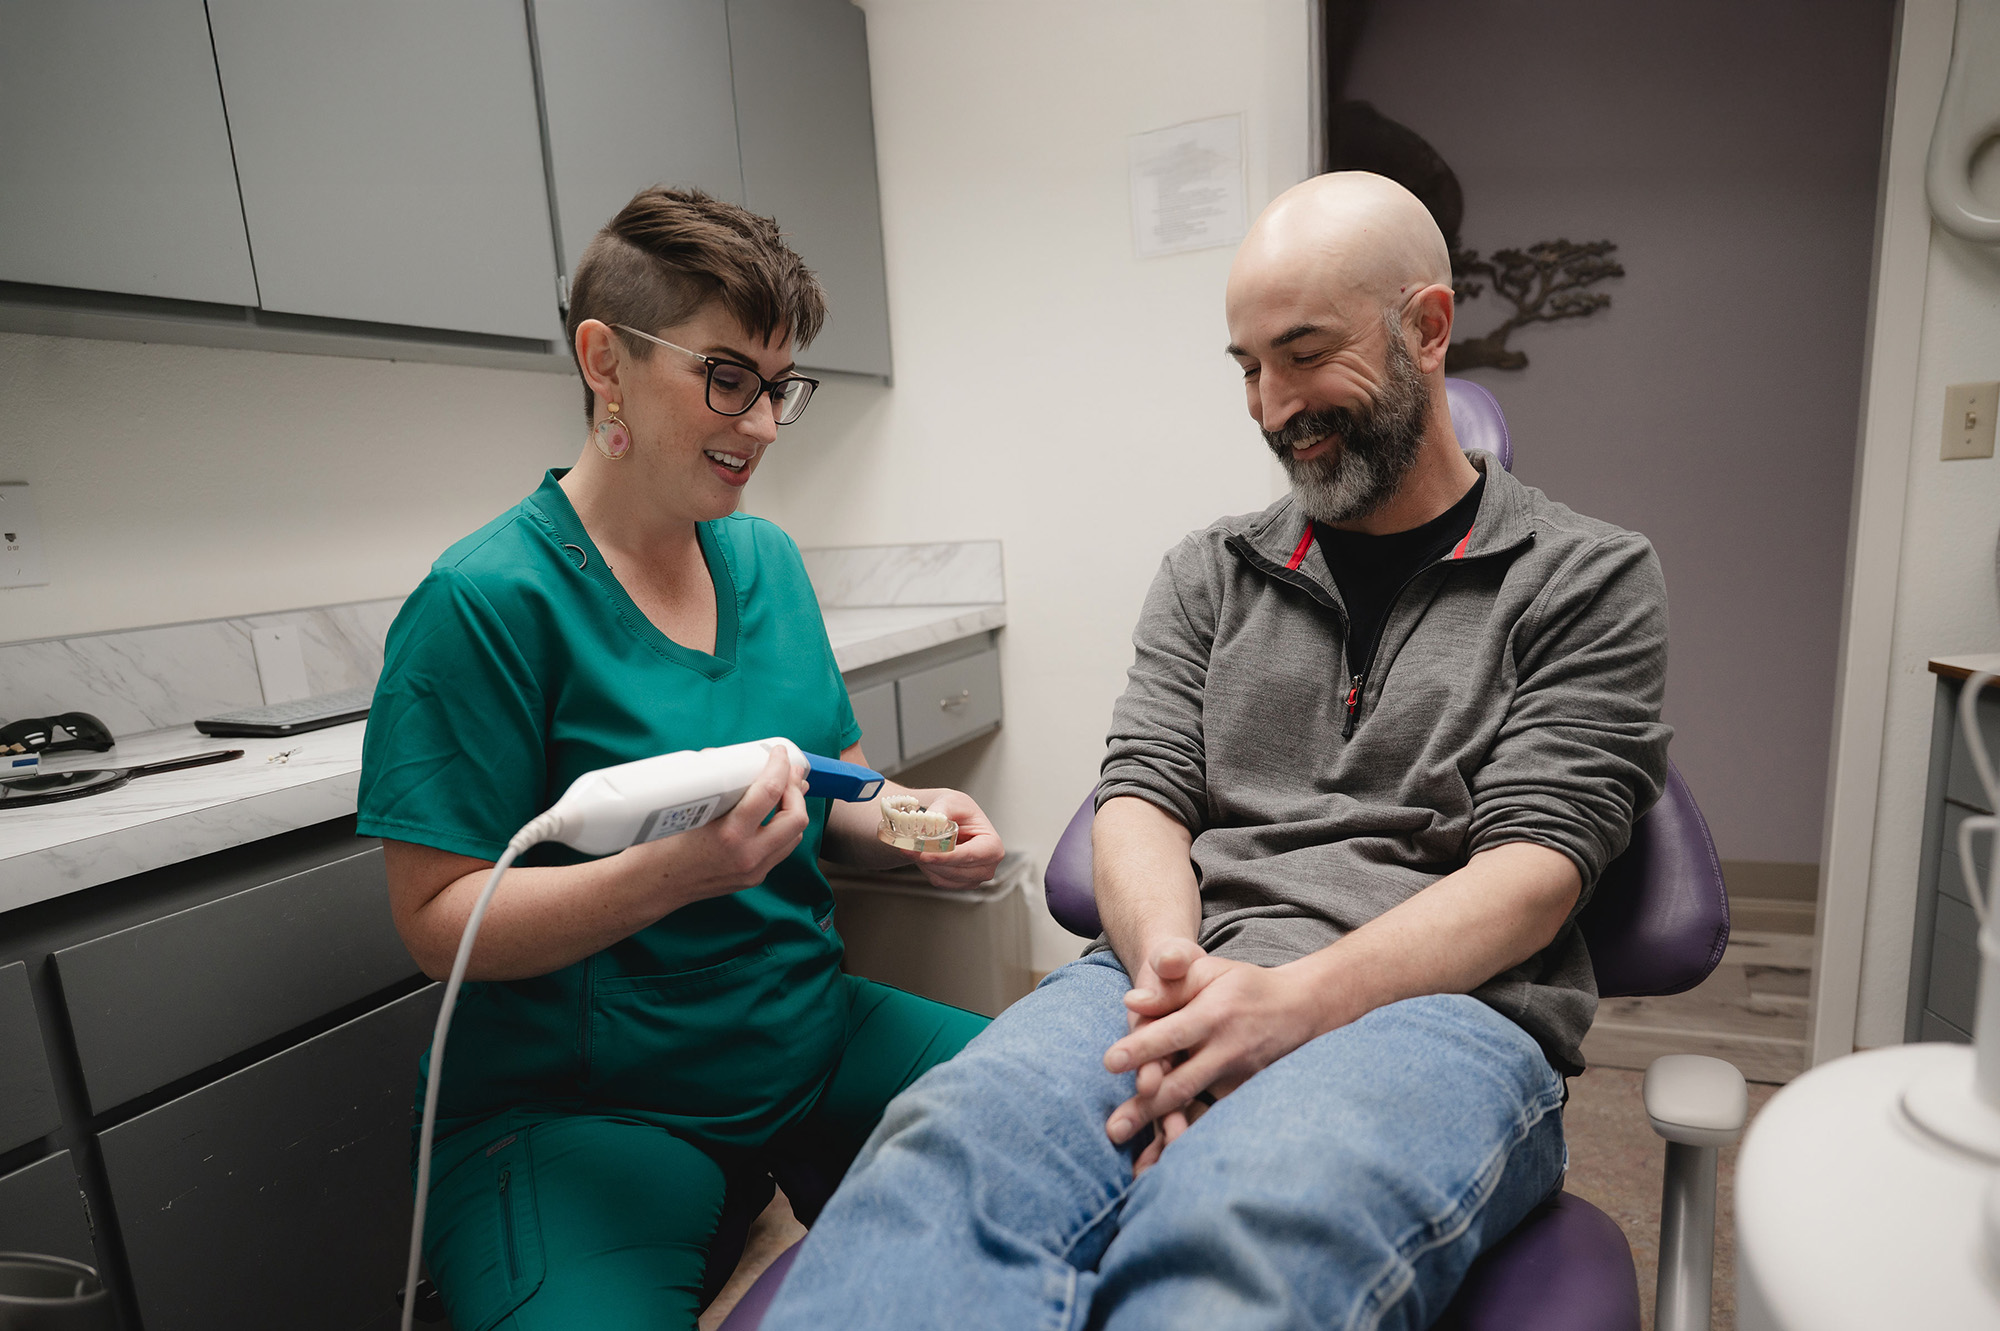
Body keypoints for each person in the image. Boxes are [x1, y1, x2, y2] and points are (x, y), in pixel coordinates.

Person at [759, 171, 1671, 1328]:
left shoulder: (1586, 576)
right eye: (1245, 365)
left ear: (1426, 328)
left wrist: (1286, 1006)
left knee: (1238, 1225)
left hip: (1443, 1011)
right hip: (1172, 974)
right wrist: (1175, 991)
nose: (1267, 402)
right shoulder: (1209, 570)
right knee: (934, 1160)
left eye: (1301, 353)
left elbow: (1535, 873)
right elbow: (1137, 796)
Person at [356, 186, 1003, 1331]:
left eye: (777, 386)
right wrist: (677, 872)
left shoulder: (764, 560)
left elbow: (837, 781)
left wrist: (922, 828)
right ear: (603, 359)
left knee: (1082, 1109)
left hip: (801, 1034)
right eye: (725, 376)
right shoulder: (484, 602)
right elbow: (435, 922)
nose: (758, 423)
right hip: (579, 1110)